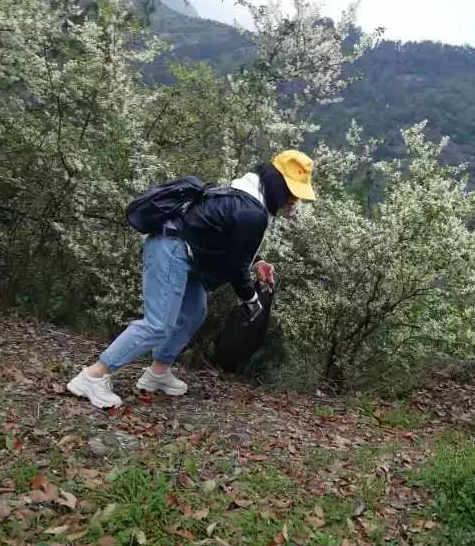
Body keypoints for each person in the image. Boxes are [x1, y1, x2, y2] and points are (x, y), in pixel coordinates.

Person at [67, 150, 316, 408]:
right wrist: (251, 300)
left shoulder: (245, 197)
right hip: (171, 247)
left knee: (194, 313)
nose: (293, 201)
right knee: (158, 324)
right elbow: (235, 266)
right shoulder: (251, 210)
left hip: (187, 251)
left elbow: (230, 239)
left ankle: (158, 373)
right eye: (291, 193)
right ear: (276, 183)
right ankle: (93, 376)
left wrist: (258, 262)